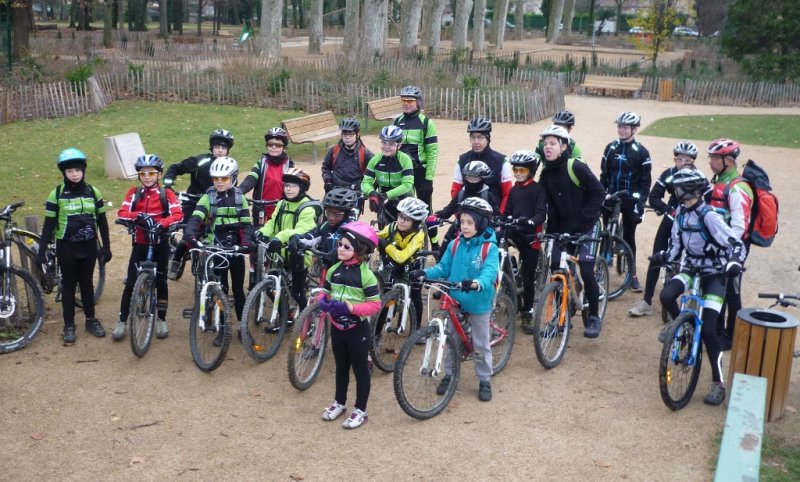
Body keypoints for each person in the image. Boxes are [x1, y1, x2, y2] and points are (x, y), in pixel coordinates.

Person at [652, 168, 746, 405]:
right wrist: (663, 256)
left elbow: (735, 243)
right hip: (691, 270)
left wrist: (734, 262)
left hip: (714, 274)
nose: (674, 191)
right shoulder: (681, 214)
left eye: (678, 188)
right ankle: (683, 328)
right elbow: (675, 246)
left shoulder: (709, 216)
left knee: (709, 330)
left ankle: (718, 382)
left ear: (689, 191)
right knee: (666, 295)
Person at [412, 197, 500, 402]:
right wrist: (424, 273)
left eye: (470, 223)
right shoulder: (455, 244)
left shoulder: (489, 248)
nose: (465, 227)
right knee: (450, 336)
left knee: (480, 342)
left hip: (478, 300)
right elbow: (443, 267)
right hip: (455, 297)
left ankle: (485, 379)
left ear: (481, 224)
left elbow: (489, 272)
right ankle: (449, 374)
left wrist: (477, 283)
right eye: (462, 222)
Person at [36, 148, 113, 345]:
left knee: (87, 283)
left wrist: (106, 247)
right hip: (67, 247)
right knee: (69, 286)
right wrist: (42, 251)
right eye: (70, 171)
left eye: (77, 170)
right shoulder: (57, 194)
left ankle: (90, 320)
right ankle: (69, 324)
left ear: (83, 170)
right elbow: (49, 225)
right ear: (64, 173)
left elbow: (102, 222)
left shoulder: (93, 192)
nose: (74, 174)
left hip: (89, 247)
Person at [538, 125, 605, 338]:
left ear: (564, 146)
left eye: (552, 143)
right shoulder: (546, 173)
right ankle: (560, 318)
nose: (547, 147)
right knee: (557, 269)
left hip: (587, 226)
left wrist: (583, 222)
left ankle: (593, 315)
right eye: (545, 143)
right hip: (562, 229)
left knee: (586, 269)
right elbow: (543, 204)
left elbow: (598, 192)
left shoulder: (574, 166)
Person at [183, 156, 254, 344]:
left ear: (234, 178)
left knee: (238, 291)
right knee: (221, 289)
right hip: (216, 250)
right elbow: (196, 218)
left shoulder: (240, 199)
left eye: (224, 178)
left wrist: (247, 243)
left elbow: (246, 226)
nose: (220, 182)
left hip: (235, 251)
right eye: (216, 179)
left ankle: (243, 327)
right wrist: (190, 235)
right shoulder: (208, 198)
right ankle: (223, 328)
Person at [318, 221, 382, 429]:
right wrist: (323, 301)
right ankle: (339, 402)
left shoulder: (366, 275)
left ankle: (360, 410)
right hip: (337, 328)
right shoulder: (334, 270)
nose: (341, 249)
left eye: (347, 247)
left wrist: (351, 308)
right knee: (341, 367)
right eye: (339, 245)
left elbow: (374, 305)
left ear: (359, 250)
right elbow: (325, 291)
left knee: (360, 370)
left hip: (357, 330)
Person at [113, 154, 183, 341]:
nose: (147, 177)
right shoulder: (133, 193)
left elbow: (178, 214)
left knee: (161, 281)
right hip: (140, 242)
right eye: (143, 174)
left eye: (152, 173)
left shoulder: (166, 194)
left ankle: (161, 318)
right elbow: (122, 212)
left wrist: (162, 223)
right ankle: (122, 320)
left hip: (161, 243)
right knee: (130, 283)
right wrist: (138, 216)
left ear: (159, 174)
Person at [629, 141, 697, 317]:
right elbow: (654, 196)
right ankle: (646, 301)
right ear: (675, 160)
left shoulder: (698, 177)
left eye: (687, 159)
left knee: (695, 258)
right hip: (671, 218)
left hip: (691, 223)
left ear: (693, 161)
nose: (683, 162)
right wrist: (668, 210)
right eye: (679, 159)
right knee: (656, 256)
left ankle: (693, 299)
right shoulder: (669, 174)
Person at [165, 129, 235, 280]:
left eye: (224, 147)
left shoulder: (230, 165)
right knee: (188, 233)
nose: (220, 150)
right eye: (217, 147)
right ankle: (177, 259)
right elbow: (175, 168)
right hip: (193, 202)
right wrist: (168, 183)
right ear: (211, 148)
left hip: (216, 204)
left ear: (228, 150)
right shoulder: (200, 161)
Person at [706, 138, 754, 349]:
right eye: (711, 157)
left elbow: (739, 226)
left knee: (732, 292)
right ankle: (716, 331)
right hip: (720, 245)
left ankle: (730, 336)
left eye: (715, 158)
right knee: (717, 288)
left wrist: (729, 250)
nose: (710, 161)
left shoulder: (738, 188)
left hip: (735, 247)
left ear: (729, 160)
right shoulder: (720, 180)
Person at [600, 111, 652, 293]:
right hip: (612, 195)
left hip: (631, 198)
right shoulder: (610, 148)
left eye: (625, 127)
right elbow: (604, 175)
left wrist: (640, 204)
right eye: (619, 126)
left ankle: (633, 273)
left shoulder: (642, 153)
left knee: (629, 237)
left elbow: (646, 182)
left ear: (634, 129)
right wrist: (601, 194)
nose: (621, 130)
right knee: (605, 231)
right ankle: (603, 259)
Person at [256, 168, 320, 312]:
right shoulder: (282, 204)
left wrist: (280, 237)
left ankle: (306, 320)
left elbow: (302, 230)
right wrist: (263, 233)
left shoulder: (308, 208)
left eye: (293, 186)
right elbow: (272, 223)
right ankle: (286, 315)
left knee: (297, 293)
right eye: (286, 185)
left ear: (302, 188)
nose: (289, 189)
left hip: (299, 254)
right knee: (270, 286)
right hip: (280, 253)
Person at [503, 150, 547, 333]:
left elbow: (540, 213)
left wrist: (531, 221)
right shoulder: (514, 190)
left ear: (531, 171)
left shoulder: (537, 190)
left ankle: (528, 311)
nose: (518, 173)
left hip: (531, 236)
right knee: (499, 249)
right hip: (516, 232)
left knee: (528, 278)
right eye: (516, 170)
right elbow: (507, 212)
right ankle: (510, 274)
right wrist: (501, 220)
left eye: (522, 170)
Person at [376, 197, 429, 326]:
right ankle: (376, 331)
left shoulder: (418, 236)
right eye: (400, 216)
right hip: (395, 260)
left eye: (407, 219)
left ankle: (416, 329)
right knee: (386, 290)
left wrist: (386, 245)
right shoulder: (392, 226)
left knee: (415, 293)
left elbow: (401, 257)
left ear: (416, 222)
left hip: (413, 261)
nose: (401, 221)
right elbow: (376, 237)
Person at [429, 160, 499, 254]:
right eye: (469, 178)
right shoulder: (461, 193)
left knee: (494, 251)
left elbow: (496, 214)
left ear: (483, 179)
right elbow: (450, 209)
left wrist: (495, 221)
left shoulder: (488, 195)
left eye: (475, 179)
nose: (471, 181)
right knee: (443, 251)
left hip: (481, 230)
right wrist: (437, 215)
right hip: (460, 226)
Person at [449, 117, 513, 213]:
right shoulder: (462, 160)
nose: (476, 141)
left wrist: (500, 217)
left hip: (493, 215)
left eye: (480, 137)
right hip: (467, 215)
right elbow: (455, 190)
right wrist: (460, 214)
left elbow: (507, 193)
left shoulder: (502, 161)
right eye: (473, 137)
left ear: (488, 139)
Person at [393, 85, 439, 211]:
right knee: (402, 208)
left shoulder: (426, 123)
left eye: (410, 101)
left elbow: (432, 152)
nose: (406, 104)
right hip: (403, 171)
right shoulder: (397, 122)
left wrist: (428, 179)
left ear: (417, 102)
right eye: (404, 100)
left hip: (420, 171)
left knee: (424, 209)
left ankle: (430, 231)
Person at [239, 127, 295, 225]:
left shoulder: (289, 165)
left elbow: (295, 185)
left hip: (282, 209)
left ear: (284, 147)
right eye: (270, 144)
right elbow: (251, 179)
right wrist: (239, 191)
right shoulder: (261, 163)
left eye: (278, 145)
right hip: (261, 209)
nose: (273, 147)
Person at [298, 187, 360, 272]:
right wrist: (297, 239)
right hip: (326, 266)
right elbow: (311, 236)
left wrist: (337, 252)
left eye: (337, 215)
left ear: (346, 214)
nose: (331, 218)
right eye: (328, 213)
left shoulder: (351, 230)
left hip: (345, 270)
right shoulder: (324, 226)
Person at [360, 125, 415, 222]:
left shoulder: (405, 160)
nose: (386, 147)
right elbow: (365, 182)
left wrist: (387, 195)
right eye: (384, 143)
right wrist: (371, 192)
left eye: (391, 144)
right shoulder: (375, 160)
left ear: (399, 145)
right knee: (384, 229)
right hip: (383, 198)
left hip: (404, 197)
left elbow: (407, 185)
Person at [320, 118, 374, 193]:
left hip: (356, 190)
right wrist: (328, 181)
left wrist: (366, 187)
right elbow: (326, 167)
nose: (347, 137)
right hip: (335, 188)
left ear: (357, 135)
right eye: (345, 134)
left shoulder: (365, 153)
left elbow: (373, 171)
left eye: (351, 134)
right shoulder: (334, 150)